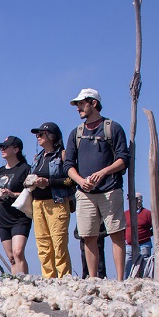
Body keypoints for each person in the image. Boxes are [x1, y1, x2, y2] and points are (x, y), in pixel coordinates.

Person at [65, 89, 130, 280]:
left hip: (111, 189)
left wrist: (102, 173)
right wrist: (80, 181)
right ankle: (93, 279)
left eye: (81, 104)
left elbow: (123, 158)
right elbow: (68, 164)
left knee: (117, 233)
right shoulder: (75, 133)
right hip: (84, 192)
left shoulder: (113, 128)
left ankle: (119, 279)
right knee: (88, 236)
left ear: (93, 103)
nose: (78, 108)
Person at [27, 122, 74, 278]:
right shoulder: (37, 158)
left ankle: (64, 278)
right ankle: (48, 278)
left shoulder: (63, 155)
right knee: (43, 244)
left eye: (41, 134)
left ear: (51, 136)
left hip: (57, 203)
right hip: (38, 204)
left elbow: (71, 180)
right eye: (37, 135)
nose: (38, 137)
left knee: (59, 243)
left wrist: (48, 182)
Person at [0, 136, 32, 275]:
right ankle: (15, 284)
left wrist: (12, 194)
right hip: (2, 216)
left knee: (18, 252)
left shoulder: (25, 169)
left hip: (20, 215)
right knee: (11, 257)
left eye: (5, 147)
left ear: (16, 149)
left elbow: (30, 193)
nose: (2, 149)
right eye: (1, 147)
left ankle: (24, 283)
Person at [123, 193, 154, 278]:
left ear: (141, 200)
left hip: (144, 244)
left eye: (137, 199)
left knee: (145, 264)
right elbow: (123, 229)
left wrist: (146, 235)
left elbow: (155, 227)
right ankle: (125, 281)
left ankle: (145, 280)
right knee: (127, 265)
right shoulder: (125, 214)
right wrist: (125, 238)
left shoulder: (147, 213)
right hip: (129, 245)